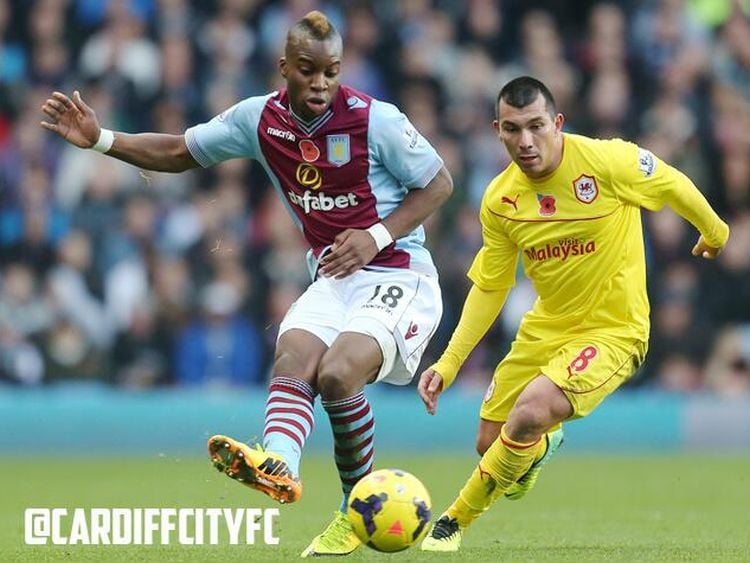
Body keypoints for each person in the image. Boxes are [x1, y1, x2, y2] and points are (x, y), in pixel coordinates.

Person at [40, 10, 452, 558]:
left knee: (338, 372)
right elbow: (181, 152)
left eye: (331, 71)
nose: (321, 83)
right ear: (285, 67)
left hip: (399, 271)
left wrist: (375, 236)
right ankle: (279, 463)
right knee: (292, 356)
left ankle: (354, 511)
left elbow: (439, 182)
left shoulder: (375, 120)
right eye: (308, 70)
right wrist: (101, 140)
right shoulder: (259, 120)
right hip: (334, 275)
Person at [417, 76, 728, 552]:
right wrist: (449, 362)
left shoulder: (607, 162)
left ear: (558, 123)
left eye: (536, 126)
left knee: (532, 410)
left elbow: (671, 182)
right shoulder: (500, 201)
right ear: (496, 130)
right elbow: (491, 287)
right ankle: (541, 446)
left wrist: (714, 230)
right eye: (512, 129)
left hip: (614, 331)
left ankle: (453, 520)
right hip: (547, 326)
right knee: (491, 441)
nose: (525, 141)